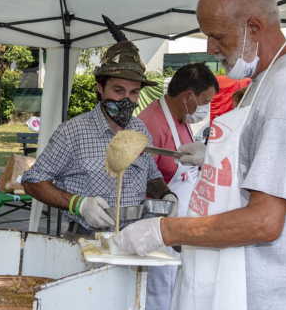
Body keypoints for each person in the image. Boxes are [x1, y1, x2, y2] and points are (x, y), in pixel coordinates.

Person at [113, 0, 286, 310]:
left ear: (254, 27)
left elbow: (264, 222)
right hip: (249, 298)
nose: (210, 47)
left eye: (218, 36)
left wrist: (165, 231)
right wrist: (214, 157)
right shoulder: (268, 80)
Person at [21, 15, 175, 235]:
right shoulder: (73, 131)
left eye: (133, 93)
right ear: (100, 89)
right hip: (87, 237)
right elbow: (32, 181)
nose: (126, 99)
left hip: (134, 237)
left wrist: (165, 195)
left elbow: (151, 175)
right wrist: (79, 204)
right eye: (118, 90)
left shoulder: (139, 129)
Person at [137, 63, 219, 310]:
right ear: (188, 96)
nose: (206, 108)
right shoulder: (151, 123)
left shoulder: (181, 119)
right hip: (155, 224)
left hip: (180, 227)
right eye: (205, 101)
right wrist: (167, 197)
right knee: (156, 299)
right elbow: (143, 175)